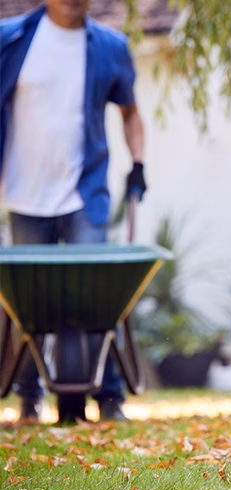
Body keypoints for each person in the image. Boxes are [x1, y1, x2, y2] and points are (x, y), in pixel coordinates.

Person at [0, 0, 147, 423]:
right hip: (24, 196)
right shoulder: (12, 39)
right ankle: (29, 398)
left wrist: (138, 164)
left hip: (86, 194)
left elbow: (131, 113)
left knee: (99, 298)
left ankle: (110, 398)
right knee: (30, 307)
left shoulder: (110, 47)